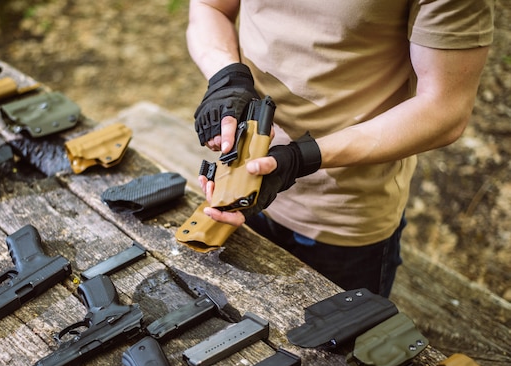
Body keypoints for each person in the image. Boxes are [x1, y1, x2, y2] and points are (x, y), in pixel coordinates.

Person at [186, 0, 494, 297]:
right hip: (241, 183)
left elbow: (445, 110)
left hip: (344, 220)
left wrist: (302, 158)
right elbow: (210, 7)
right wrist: (226, 78)